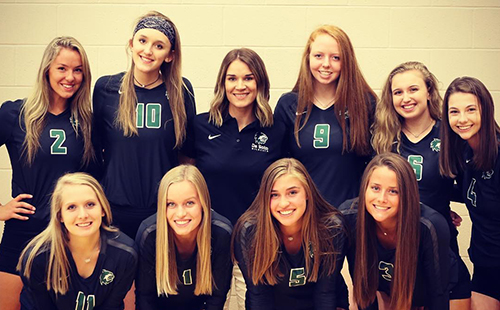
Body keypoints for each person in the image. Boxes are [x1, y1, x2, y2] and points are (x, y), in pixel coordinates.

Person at [0, 36, 94, 310]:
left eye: (78, 70)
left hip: (69, 238)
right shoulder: (15, 114)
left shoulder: (87, 122)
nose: (70, 77)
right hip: (23, 233)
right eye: (62, 68)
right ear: (47, 70)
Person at [189, 47, 285, 309]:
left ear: (260, 83)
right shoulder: (201, 125)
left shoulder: (276, 129)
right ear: (222, 83)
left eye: (248, 78)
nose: (240, 86)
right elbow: (186, 182)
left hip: (256, 241)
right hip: (207, 240)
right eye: (232, 78)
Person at [372, 61, 471, 309]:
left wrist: (440, 204)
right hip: (395, 248)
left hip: (440, 242)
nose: (406, 98)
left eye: (413, 89)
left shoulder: (450, 135)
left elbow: (467, 184)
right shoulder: (384, 138)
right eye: (398, 92)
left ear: (429, 91)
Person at [93, 11, 196, 239]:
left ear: (170, 55)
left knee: (159, 276)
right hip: (114, 211)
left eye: (159, 46)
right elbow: (95, 149)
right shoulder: (106, 88)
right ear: (131, 44)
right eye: (142, 41)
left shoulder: (181, 92)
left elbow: (187, 155)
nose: (148, 50)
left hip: (161, 212)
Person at [274, 25, 377, 209]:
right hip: (304, 216)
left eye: (335, 57)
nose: (326, 64)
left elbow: (376, 163)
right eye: (318, 56)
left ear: (347, 61)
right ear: (308, 58)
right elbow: (279, 168)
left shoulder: (365, 104)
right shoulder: (288, 104)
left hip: (351, 214)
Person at [340, 153, 451, 310]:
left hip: (423, 297)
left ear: (407, 194)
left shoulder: (430, 226)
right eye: (375, 188)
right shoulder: (349, 217)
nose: (381, 198)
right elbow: (330, 284)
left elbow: (438, 296)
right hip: (380, 292)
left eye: (393, 191)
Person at [232, 158, 346, 309]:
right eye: (274, 195)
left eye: (292, 192)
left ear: (307, 193)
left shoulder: (331, 228)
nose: (284, 203)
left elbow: (325, 293)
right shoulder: (250, 231)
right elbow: (259, 295)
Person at [17, 173, 137, 310]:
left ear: (103, 209)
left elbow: (112, 306)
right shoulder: (38, 257)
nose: (83, 215)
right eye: (71, 207)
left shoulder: (125, 253)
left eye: (90, 204)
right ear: (60, 216)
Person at [135, 165, 232, 310]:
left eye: (189, 203)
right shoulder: (149, 234)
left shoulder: (221, 233)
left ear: (203, 203)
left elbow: (217, 297)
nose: (180, 213)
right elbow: (145, 298)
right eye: (171, 204)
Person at [440, 77, 500, 310]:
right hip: (484, 263)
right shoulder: (464, 152)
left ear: (485, 110)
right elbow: (460, 191)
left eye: (470, 110)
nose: (462, 119)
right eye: (454, 111)